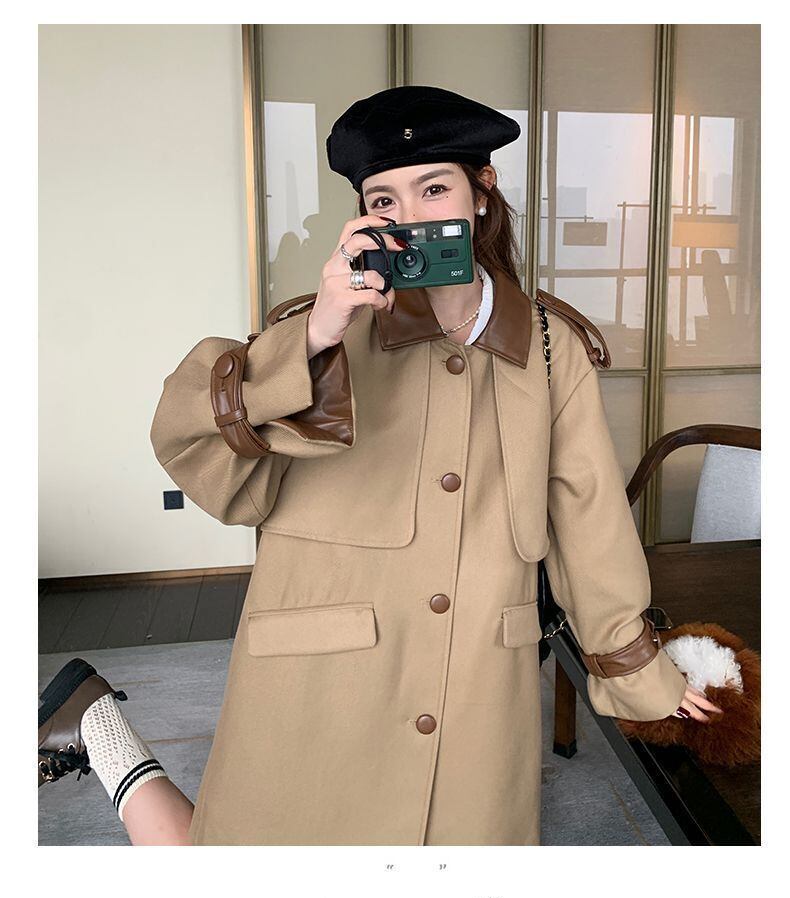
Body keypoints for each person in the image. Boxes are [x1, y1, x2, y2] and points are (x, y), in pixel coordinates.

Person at [38, 85, 723, 846]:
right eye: (384, 201)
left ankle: (95, 727)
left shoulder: (550, 347)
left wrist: (633, 663)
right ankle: (102, 732)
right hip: (316, 672)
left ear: (482, 193)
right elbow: (189, 440)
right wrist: (316, 334)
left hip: (475, 678)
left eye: (434, 188)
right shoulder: (319, 332)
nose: (412, 216)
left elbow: (587, 515)